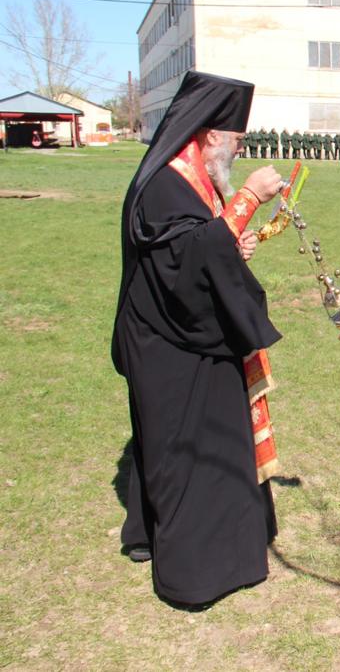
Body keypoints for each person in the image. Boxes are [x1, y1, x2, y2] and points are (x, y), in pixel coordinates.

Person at [113, 71, 283, 607]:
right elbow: (183, 262)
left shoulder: (191, 178)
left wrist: (234, 242)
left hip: (182, 332)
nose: (238, 149)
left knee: (178, 444)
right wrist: (249, 199)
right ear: (210, 136)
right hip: (171, 343)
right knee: (187, 450)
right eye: (235, 140)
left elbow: (200, 246)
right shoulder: (166, 181)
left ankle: (156, 535)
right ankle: (197, 572)